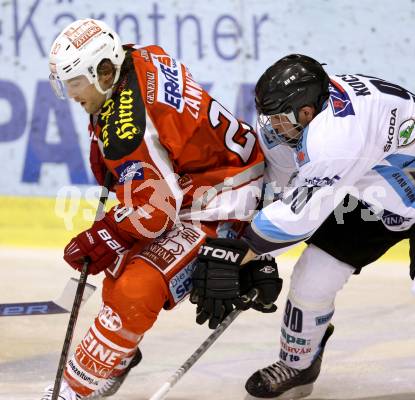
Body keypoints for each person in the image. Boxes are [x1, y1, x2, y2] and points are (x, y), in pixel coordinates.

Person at [41, 18, 283, 400]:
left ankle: (73, 391)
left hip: (224, 199)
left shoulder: (128, 129)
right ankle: (119, 353)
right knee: (119, 269)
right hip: (197, 182)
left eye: (75, 83)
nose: (71, 94)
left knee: (135, 290)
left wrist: (105, 232)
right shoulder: (137, 57)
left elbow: (154, 213)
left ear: (104, 71)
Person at [190, 54, 415, 399]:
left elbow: (298, 218)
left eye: (279, 119)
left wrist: (239, 253)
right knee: (312, 278)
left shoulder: (336, 136)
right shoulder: (307, 118)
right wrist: (258, 258)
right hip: (376, 189)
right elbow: (278, 193)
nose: (273, 127)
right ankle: (299, 365)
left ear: (306, 112)